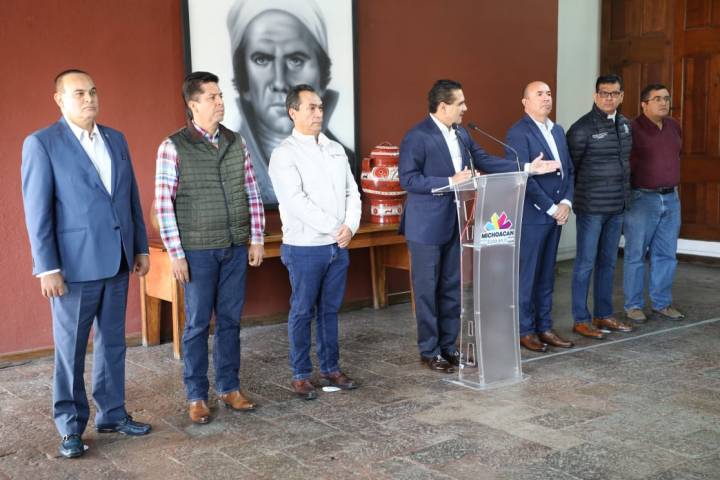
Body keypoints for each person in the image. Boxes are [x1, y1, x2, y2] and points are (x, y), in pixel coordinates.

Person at [21, 69, 151, 459]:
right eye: (78, 93)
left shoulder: (116, 138)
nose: (89, 98)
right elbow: (37, 211)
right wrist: (47, 268)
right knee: (71, 350)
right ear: (59, 99)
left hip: (118, 260)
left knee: (113, 344)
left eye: (92, 91)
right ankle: (70, 427)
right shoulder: (42, 143)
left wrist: (140, 248)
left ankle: (112, 414)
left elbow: (129, 198)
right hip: (73, 268)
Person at [398, 79, 561, 373]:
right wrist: (450, 182)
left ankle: (449, 347)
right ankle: (429, 351)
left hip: (456, 221)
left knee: (452, 288)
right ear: (443, 106)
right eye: (460, 103)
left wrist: (527, 168)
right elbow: (408, 180)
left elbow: (484, 160)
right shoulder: (417, 136)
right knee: (427, 291)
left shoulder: (461, 133)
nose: (466, 108)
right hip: (425, 226)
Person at [154, 71, 265, 424]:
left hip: (235, 246)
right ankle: (197, 395)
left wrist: (257, 237)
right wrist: (176, 254)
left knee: (230, 321)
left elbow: (251, 191)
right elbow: (163, 205)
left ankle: (230, 388)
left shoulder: (236, 141)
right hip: (197, 251)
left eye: (220, 96)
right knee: (198, 325)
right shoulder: (173, 146)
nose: (220, 102)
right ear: (193, 105)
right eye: (212, 97)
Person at [269, 84, 361, 400]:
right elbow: (295, 201)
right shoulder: (284, 153)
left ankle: (331, 368)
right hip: (305, 247)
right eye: (311, 107)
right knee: (302, 310)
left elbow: (352, 192)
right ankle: (300, 374)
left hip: (338, 245)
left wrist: (350, 227)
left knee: (330, 311)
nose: (318, 113)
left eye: (320, 107)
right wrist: (336, 227)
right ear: (293, 112)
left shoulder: (335, 149)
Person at [227, 0, 353, 205]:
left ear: (322, 75)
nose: (279, 82)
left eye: (296, 60)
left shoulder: (345, 160)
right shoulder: (225, 166)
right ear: (244, 77)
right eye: (262, 59)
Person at [505, 81, 575, 353]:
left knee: (547, 274)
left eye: (549, 93)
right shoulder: (518, 133)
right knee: (528, 275)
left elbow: (568, 170)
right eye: (539, 94)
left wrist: (566, 203)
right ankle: (525, 330)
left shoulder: (557, 130)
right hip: (533, 216)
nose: (546, 98)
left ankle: (544, 327)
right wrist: (551, 207)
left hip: (557, 213)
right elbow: (522, 177)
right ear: (525, 102)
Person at [566, 74, 634, 340]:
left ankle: (603, 314)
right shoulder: (581, 128)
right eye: (604, 93)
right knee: (585, 264)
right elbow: (571, 169)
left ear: (621, 96)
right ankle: (581, 319)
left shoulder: (625, 125)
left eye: (614, 93)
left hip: (617, 207)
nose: (609, 98)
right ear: (595, 96)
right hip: (591, 209)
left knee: (608, 262)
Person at [623, 84, 684, 323]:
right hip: (642, 199)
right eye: (657, 98)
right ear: (644, 104)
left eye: (666, 98)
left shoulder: (674, 126)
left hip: (671, 199)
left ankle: (662, 303)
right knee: (635, 254)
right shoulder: (632, 128)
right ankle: (633, 306)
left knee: (666, 254)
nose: (664, 102)